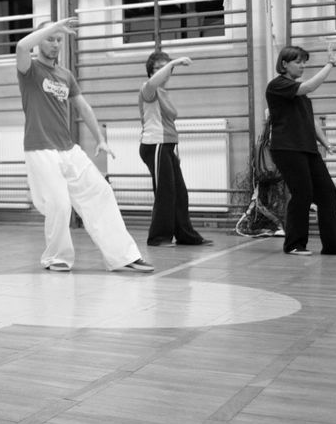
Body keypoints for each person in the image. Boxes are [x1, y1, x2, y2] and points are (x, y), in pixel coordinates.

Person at [15, 18, 153, 273]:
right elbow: (22, 47)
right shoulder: (29, 70)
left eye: (59, 40)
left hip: (67, 148)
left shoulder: (65, 75)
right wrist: (53, 27)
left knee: (102, 191)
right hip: (40, 148)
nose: (55, 44)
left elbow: (83, 107)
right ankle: (56, 257)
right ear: (39, 40)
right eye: (50, 38)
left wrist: (100, 139)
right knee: (59, 204)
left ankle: (124, 256)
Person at [265, 44, 336, 256]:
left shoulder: (301, 96)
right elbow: (308, 87)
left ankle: (333, 245)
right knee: (302, 194)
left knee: (327, 193)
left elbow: (310, 121)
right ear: (284, 64)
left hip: (307, 149)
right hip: (287, 149)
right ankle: (294, 244)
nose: (302, 66)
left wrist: (326, 143)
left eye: (304, 62)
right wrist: (330, 64)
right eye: (298, 62)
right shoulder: (277, 85)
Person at [138, 51, 211, 247]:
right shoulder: (148, 89)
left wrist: (175, 152)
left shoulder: (164, 92)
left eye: (166, 67)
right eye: (159, 68)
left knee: (180, 192)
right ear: (151, 72)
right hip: (155, 145)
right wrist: (175, 62)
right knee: (165, 192)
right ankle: (158, 237)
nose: (165, 71)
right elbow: (153, 83)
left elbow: (169, 125)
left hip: (168, 146)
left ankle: (186, 235)